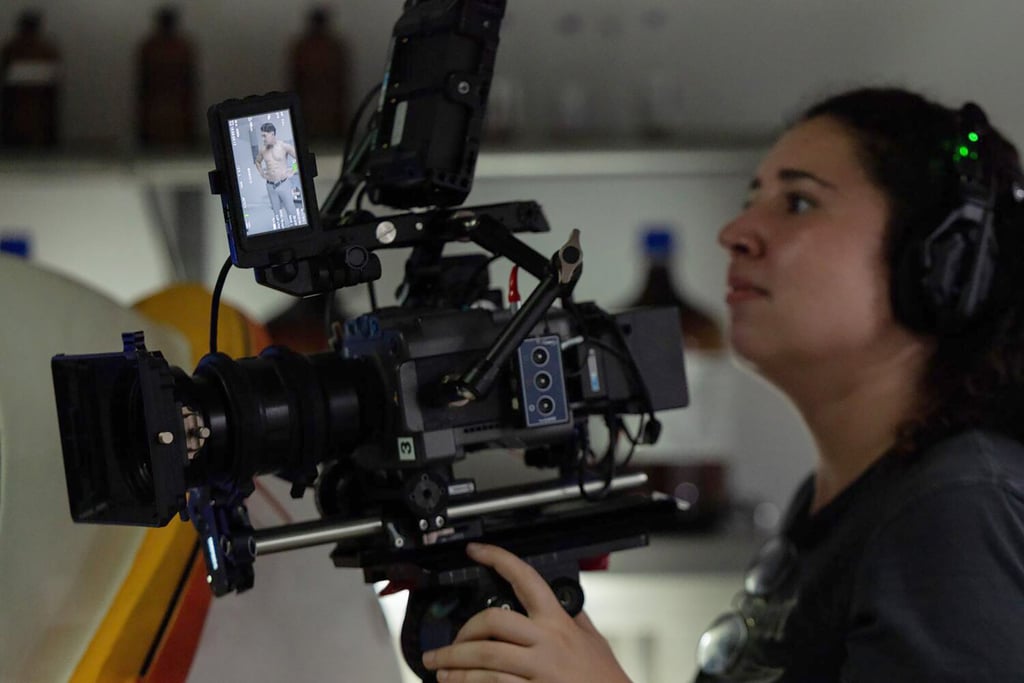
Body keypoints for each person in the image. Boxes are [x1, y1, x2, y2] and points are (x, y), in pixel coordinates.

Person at [420, 87, 1024, 682]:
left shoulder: (958, 508)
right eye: (752, 199)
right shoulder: (840, 502)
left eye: (799, 202)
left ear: (938, 262)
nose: (735, 231)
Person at [255, 121, 299, 227]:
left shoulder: (284, 146)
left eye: (264, 136)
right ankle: (280, 230)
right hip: (270, 185)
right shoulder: (263, 149)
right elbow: (257, 161)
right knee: (276, 212)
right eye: (262, 136)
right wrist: (262, 173)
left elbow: (299, 158)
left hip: (283, 183)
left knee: (291, 210)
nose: (263, 139)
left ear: (272, 133)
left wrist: (293, 171)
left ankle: (296, 228)